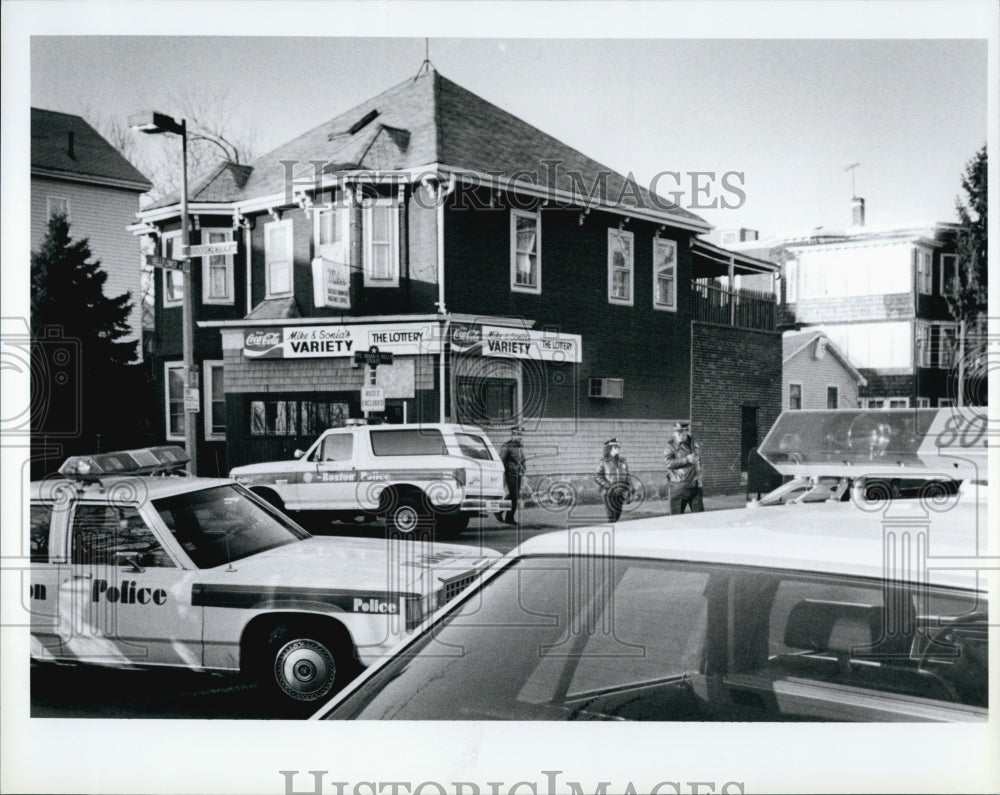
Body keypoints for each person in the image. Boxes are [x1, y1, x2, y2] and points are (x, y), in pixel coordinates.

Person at [664, 422, 704, 514]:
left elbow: (699, 462)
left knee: (700, 518)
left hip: (695, 487)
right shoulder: (670, 445)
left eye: (681, 431)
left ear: (686, 431)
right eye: (676, 431)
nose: (678, 434)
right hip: (678, 487)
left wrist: (700, 480)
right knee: (676, 520)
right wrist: (686, 459)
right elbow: (668, 463)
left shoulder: (694, 443)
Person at [595, 437, 632, 522]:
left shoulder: (623, 461)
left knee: (618, 514)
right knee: (612, 515)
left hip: (620, 492)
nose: (618, 449)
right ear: (610, 449)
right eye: (616, 447)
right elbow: (597, 476)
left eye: (618, 447)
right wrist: (608, 485)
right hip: (608, 493)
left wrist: (630, 489)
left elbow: (628, 476)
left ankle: (614, 529)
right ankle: (612, 531)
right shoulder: (603, 462)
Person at [499, 425, 527, 525]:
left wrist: (523, 469)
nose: (520, 437)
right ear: (512, 435)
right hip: (510, 474)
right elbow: (501, 460)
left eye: (521, 434)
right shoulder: (507, 446)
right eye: (518, 434)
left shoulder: (519, 446)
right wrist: (506, 472)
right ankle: (506, 516)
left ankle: (501, 512)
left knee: (514, 495)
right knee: (514, 496)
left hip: (518, 474)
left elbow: (522, 459)